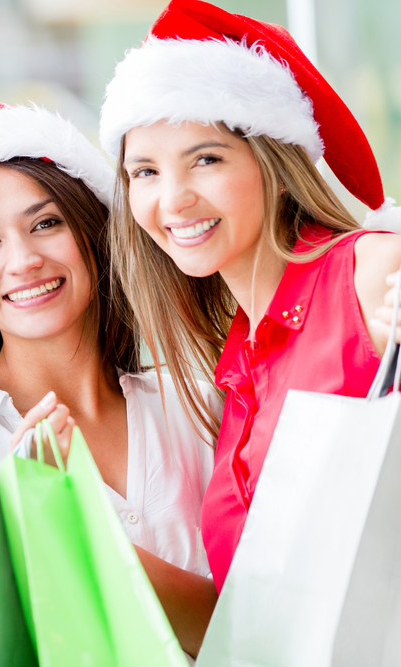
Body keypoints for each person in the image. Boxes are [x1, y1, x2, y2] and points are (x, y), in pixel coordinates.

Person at [100, 0, 401, 595]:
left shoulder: (369, 273)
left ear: (275, 166)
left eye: (205, 159)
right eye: (146, 172)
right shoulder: (233, 359)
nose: (173, 199)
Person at [0, 101, 221, 657]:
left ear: (93, 234)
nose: (23, 259)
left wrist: (81, 533)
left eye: (46, 223)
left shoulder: (193, 402)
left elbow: (248, 621)